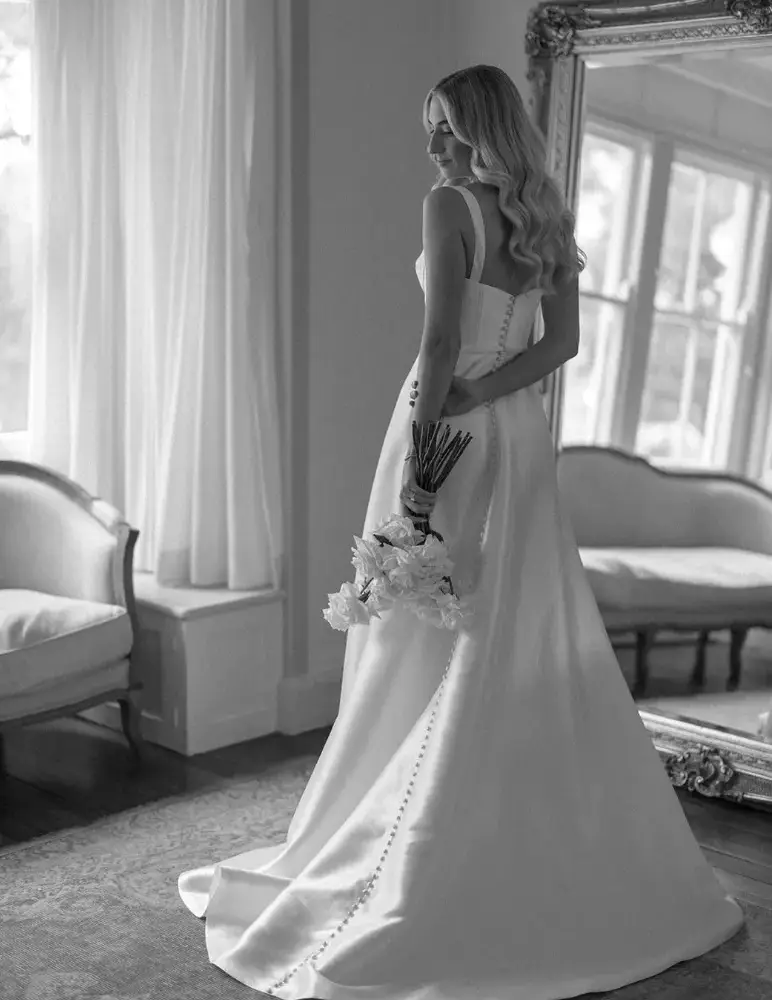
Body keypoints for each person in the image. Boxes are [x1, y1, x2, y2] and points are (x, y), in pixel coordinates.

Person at [178, 65, 744, 1000]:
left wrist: (422, 452)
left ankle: (412, 830)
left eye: (445, 126)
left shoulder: (449, 207)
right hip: (517, 438)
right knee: (500, 615)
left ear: (481, 127)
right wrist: (491, 397)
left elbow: (441, 338)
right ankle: (494, 815)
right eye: (428, 127)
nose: (433, 146)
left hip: (443, 421)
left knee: (422, 612)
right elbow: (559, 346)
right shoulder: (547, 219)